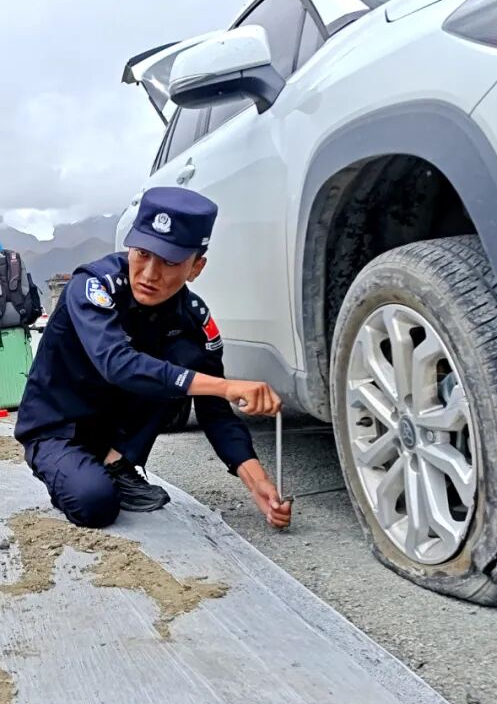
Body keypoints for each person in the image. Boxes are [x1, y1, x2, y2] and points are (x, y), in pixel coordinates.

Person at [15, 187, 291, 529]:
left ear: (196, 267)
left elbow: (215, 411)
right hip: (58, 428)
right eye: (142, 253)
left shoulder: (192, 320)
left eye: (170, 262)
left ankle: (116, 462)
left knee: (184, 360)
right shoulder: (93, 287)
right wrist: (227, 386)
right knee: (95, 504)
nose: (148, 274)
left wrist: (257, 480)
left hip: (108, 429)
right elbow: (117, 364)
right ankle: (77, 470)